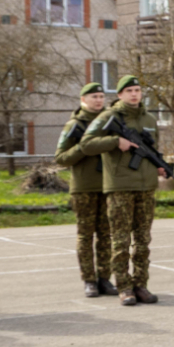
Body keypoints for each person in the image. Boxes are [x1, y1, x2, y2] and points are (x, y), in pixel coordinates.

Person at [79, 75, 167, 306]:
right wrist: (115, 142)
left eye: (137, 90)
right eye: (129, 91)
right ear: (119, 95)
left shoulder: (149, 118)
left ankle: (141, 285)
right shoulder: (108, 117)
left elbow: (152, 149)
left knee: (143, 240)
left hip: (145, 187)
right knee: (120, 240)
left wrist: (159, 166)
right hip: (120, 187)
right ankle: (124, 287)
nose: (134, 94)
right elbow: (86, 144)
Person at [54, 82, 115, 297]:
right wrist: (83, 147)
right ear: (83, 100)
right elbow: (61, 158)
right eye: (94, 96)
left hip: (109, 186)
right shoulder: (74, 125)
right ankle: (89, 280)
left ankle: (105, 278)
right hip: (84, 188)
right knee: (85, 235)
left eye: (101, 96)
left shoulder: (110, 122)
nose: (98, 100)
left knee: (106, 235)